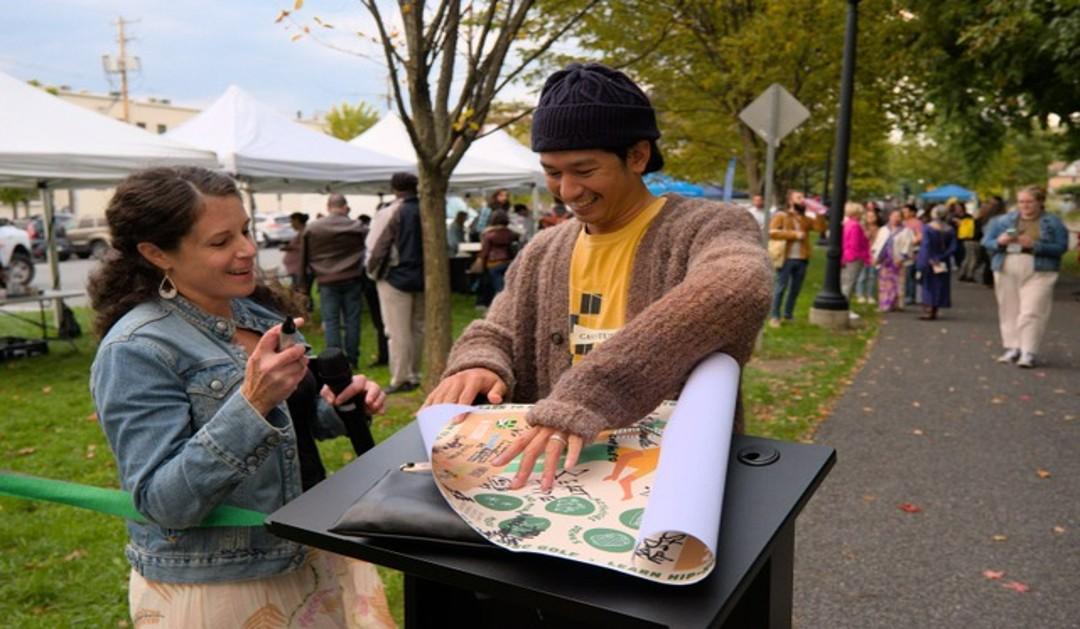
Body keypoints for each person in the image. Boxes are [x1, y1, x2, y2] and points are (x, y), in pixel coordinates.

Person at [424, 62, 771, 491]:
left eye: (584, 171)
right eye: (552, 172)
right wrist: (478, 364)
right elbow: (497, 331)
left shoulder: (707, 227)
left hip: (670, 485)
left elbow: (738, 286)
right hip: (554, 478)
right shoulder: (543, 250)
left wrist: (588, 396)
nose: (567, 191)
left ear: (638, 156)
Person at [87, 167, 392, 627]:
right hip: (224, 585)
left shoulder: (256, 313)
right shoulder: (135, 349)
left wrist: (340, 407)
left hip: (312, 548)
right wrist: (251, 405)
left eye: (246, 231)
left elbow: (294, 431)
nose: (247, 249)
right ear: (156, 253)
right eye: (220, 241)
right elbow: (163, 503)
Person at [981, 186, 1069, 368]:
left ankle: (1028, 351)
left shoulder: (1053, 222)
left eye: (1029, 201)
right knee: (1009, 309)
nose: (1025, 205)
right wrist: (999, 241)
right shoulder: (1004, 221)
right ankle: (1012, 347)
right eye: (1021, 201)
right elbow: (986, 242)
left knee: (1031, 311)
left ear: (1040, 202)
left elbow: (1061, 248)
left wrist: (1035, 245)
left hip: (1040, 269)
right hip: (1007, 266)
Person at [368, 172, 425, 393]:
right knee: (418, 328)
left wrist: (373, 273)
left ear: (394, 188)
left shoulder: (390, 211)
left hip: (395, 278)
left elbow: (375, 246)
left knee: (397, 331)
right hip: (422, 277)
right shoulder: (428, 209)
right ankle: (415, 373)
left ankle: (400, 378)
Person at [301, 193, 367, 368]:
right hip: (352, 277)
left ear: (328, 207)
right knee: (352, 320)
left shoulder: (313, 228)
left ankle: (335, 362)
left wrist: (304, 286)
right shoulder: (357, 226)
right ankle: (352, 359)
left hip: (326, 279)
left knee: (331, 321)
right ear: (345, 206)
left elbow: (304, 259)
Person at [767, 189, 826, 327]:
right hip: (785, 257)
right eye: (799, 198)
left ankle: (788, 314)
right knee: (780, 287)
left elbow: (820, 228)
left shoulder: (805, 218)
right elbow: (772, 232)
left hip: (802, 257)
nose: (803, 200)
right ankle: (775, 316)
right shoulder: (781, 216)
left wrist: (819, 212)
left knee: (795, 288)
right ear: (790, 201)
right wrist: (794, 235)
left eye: (803, 197)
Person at [915, 205, 958, 320]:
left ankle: (928, 310)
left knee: (927, 284)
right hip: (943, 260)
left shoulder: (928, 228)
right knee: (940, 284)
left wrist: (927, 259)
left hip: (929, 260)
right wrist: (942, 256)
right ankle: (935, 309)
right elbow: (953, 247)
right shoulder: (950, 229)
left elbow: (926, 245)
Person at [871, 208, 915, 312]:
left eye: (898, 216)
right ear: (889, 217)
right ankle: (884, 304)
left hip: (897, 259)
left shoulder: (906, 231)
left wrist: (902, 258)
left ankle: (897, 304)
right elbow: (877, 243)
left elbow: (908, 245)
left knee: (899, 282)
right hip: (885, 259)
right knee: (884, 282)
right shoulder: (883, 229)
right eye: (894, 216)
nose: (896, 218)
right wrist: (875, 256)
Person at [479, 209, 521, 296]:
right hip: (509, 261)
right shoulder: (511, 234)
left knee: (498, 288)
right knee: (508, 286)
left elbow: (485, 251)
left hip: (493, 262)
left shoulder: (488, 234)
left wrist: (482, 264)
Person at [840, 202, 871, 302]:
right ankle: (844, 307)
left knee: (845, 282)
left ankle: (844, 305)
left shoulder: (847, 224)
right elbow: (855, 244)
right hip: (853, 258)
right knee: (849, 284)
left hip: (846, 256)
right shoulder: (855, 226)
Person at [279, 212, 310, 306]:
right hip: (296, 269)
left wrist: (290, 247)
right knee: (297, 291)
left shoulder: (304, 232)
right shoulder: (301, 232)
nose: (291, 224)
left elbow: (304, 248)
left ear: (297, 221)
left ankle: (304, 309)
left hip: (299, 269)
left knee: (300, 293)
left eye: (292, 221)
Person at [855, 207, 881, 304]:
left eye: (873, 216)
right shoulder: (861, 228)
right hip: (863, 254)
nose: (871, 218)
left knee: (872, 276)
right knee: (862, 276)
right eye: (869, 216)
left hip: (873, 254)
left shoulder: (879, 229)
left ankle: (870, 295)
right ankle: (860, 294)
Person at [901, 204, 924, 306]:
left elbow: (920, 236)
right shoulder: (902, 223)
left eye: (906, 211)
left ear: (912, 212)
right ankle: (906, 294)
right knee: (905, 274)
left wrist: (910, 242)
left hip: (913, 251)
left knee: (911, 274)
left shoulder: (917, 223)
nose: (904, 213)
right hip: (902, 251)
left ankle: (911, 295)